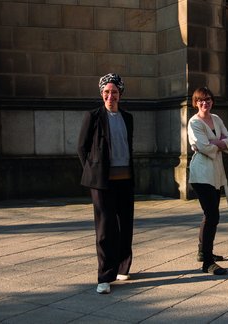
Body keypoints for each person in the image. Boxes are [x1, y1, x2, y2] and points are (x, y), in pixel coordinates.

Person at [77, 73, 135, 294]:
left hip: (125, 179)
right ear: (102, 94)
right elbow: (81, 147)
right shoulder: (92, 116)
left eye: (114, 92)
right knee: (105, 228)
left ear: (120, 95)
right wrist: (92, 171)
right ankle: (104, 276)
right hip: (102, 182)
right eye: (106, 92)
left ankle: (122, 266)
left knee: (125, 224)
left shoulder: (127, 117)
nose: (110, 96)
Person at [188, 87, 228, 275]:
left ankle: (203, 252)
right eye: (201, 100)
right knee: (212, 214)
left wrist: (215, 143)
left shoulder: (216, 119)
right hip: (201, 173)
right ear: (196, 103)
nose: (204, 103)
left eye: (208, 100)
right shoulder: (193, 122)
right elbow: (202, 146)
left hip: (215, 173)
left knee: (211, 215)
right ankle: (207, 262)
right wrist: (218, 143)